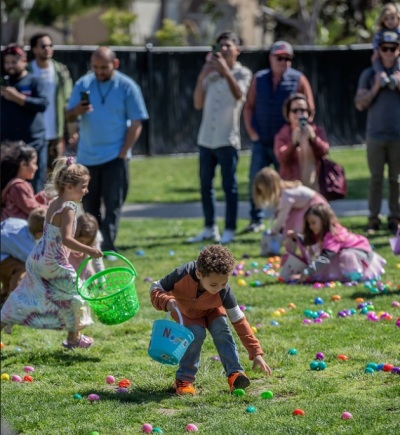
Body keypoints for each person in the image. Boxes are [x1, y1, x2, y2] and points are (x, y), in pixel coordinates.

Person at [0, 156, 103, 349]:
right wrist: (90, 250)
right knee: (79, 293)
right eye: (83, 186)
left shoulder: (55, 202)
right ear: (70, 187)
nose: (86, 190)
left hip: (38, 257)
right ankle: (73, 338)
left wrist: (72, 249)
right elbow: (66, 239)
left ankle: (4, 319)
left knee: (25, 295)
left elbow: (54, 236)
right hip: (53, 262)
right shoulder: (69, 208)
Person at [150, 244, 272, 396]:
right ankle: (184, 380)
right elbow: (155, 288)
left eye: (224, 283)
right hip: (186, 312)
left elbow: (239, 321)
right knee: (196, 334)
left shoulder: (224, 291)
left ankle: (235, 374)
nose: (219, 288)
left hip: (212, 311)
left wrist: (256, 353)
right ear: (199, 274)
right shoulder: (183, 274)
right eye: (214, 284)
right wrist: (166, 301)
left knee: (222, 330)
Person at [66, 46, 148, 257]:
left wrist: (123, 152)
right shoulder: (83, 84)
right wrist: (77, 111)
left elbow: (137, 121)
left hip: (115, 156)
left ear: (115, 64)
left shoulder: (127, 86)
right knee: (90, 205)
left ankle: (109, 246)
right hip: (87, 157)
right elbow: (68, 116)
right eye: (95, 67)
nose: (99, 71)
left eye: (104, 67)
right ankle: (94, 244)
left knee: (113, 204)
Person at [187, 31, 252, 245]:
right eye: (220, 46)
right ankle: (209, 227)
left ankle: (230, 228)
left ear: (237, 50)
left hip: (227, 139)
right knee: (206, 185)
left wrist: (225, 70)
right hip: (206, 138)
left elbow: (239, 95)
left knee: (229, 186)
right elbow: (197, 103)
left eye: (227, 46)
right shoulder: (211, 75)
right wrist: (202, 75)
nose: (223, 49)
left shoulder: (243, 73)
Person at [243, 40, 315, 233]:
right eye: (280, 58)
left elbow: (310, 109)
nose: (284, 62)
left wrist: (298, 134)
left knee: (286, 182)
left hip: (284, 142)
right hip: (262, 140)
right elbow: (248, 106)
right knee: (255, 179)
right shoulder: (259, 79)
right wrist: (252, 133)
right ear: (271, 58)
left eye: (288, 58)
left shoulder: (298, 79)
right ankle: (255, 219)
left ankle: (284, 220)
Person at [355, 31, 400, 234]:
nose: (389, 53)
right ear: (378, 51)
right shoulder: (368, 74)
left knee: (396, 179)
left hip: (398, 136)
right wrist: (375, 87)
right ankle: (373, 219)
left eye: (393, 49)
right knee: (375, 179)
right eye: (384, 49)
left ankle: (395, 218)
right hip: (375, 135)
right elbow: (359, 104)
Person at [286, 204, 386, 283]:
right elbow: (310, 241)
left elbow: (325, 258)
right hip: (348, 252)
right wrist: (297, 237)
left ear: (324, 221)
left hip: (361, 253)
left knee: (346, 256)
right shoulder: (321, 232)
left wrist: (308, 272)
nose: (311, 226)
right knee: (336, 257)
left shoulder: (332, 235)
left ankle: (355, 276)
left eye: (313, 222)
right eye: (309, 224)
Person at [0, 44, 48, 192]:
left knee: (34, 186)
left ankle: (35, 216)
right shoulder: (3, 83)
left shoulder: (34, 81)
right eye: (7, 63)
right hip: (8, 145)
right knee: (7, 187)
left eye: (14, 62)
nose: (10, 66)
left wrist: (19, 98)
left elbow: (43, 104)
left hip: (32, 143)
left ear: (24, 62)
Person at [28, 32, 73, 174]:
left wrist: (72, 128)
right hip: (33, 134)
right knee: (33, 175)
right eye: (43, 46)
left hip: (56, 134)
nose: (47, 48)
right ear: (34, 49)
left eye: (50, 45)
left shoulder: (61, 71)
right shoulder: (27, 71)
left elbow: (68, 100)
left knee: (55, 177)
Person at [274, 93, 329, 191]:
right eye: (295, 111)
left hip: (315, 188)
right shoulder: (283, 134)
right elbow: (281, 158)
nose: (299, 114)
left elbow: (324, 151)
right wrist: (293, 143)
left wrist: (314, 139)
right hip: (293, 188)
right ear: (288, 113)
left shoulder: (316, 130)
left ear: (308, 112)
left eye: (303, 110)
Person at [253, 167, 328, 236]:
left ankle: (300, 249)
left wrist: (274, 230)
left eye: (266, 191)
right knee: (290, 227)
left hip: (314, 205)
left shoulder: (285, 195)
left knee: (300, 229)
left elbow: (283, 216)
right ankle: (290, 250)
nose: (264, 194)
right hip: (303, 206)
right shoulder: (284, 192)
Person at [0, 209, 46, 306]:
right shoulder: (28, 246)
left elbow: (5, 222)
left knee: (11, 266)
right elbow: (35, 264)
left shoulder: (19, 222)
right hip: (2, 256)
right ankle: (14, 303)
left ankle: (3, 296)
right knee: (21, 270)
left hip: (4, 254)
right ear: (40, 234)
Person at [1, 142, 47, 221]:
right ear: (23, 164)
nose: (36, 168)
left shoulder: (17, 184)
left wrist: (40, 197)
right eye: (34, 163)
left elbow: (24, 203)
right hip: (15, 229)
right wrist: (53, 207)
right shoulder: (19, 186)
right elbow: (32, 209)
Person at [371, 3, 400, 89]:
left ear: (398, 18)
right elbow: (375, 43)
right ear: (382, 21)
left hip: (397, 56)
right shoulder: (380, 33)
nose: (389, 21)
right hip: (382, 58)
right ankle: (381, 75)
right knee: (374, 59)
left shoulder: (398, 32)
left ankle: (396, 78)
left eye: (392, 18)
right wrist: (376, 52)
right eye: (386, 19)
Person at [69, 213, 105, 280]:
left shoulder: (96, 238)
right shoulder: (69, 235)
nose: (85, 245)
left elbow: (98, 261)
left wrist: (102, 279)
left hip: (85, 269)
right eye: (81, 241)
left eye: (88, 242)